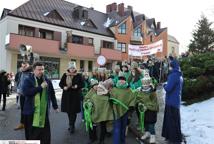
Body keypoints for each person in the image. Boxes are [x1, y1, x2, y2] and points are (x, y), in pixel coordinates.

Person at [22, 62, 59, 144]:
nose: (41, 71)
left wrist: (55, 106)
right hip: (31, 112)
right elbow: (26, 92)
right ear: (34, 70)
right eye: (39, 69)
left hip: (43, 112)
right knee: (32, 135)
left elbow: (52, 93)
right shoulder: (28, 80)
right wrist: (40, 87)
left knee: (45, 135)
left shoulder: (47, 80)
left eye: (42, 69)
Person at [162, 59, 183, 144]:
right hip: (175, 101)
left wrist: (164, 85)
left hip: (171, 101)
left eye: (170, 66)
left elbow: (168, 88)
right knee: (174, 120)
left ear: (172, 66)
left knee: (171, 121)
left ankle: (174, 139)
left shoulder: (173, 75)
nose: (169, 67)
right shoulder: (179, 75)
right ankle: (172, 137)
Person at [59, 61, 84, 134]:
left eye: (73, 68)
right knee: (69, 111)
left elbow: (82, 84)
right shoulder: (65, 75)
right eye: (71, 68)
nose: (72, 69)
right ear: (68, 69)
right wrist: (64, 87)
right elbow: (60, 84)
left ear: (75, 68)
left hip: (75, 96)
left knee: (73, 112)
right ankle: (71, 124)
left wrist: (77, 86)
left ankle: (71, 125)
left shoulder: (79, 75)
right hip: (67, 96)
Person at [136, 72, 159, 143]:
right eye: (143, 85)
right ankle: (147, 133)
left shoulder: (153, 93)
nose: (145, 86)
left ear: (149, 84)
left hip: (151, 110)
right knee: (145, 122)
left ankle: (153, 136)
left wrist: (147, 106)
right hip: (143, 110)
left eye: (146, 85)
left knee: (151, 124)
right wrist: (139, 103)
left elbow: (154, 103)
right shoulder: (140, 91)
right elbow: (137, 99)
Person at [14, 61, 32, 130]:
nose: (23, 67)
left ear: (28, 66)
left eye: (24, 66)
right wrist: (18, 89)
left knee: (28, 110)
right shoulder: (21, 73)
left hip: (28, 96)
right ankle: (22, 124)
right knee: (22, 110)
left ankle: (28, 124)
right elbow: (20, 82)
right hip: (22, 95)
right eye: (22, 66)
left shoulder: (31, 73)